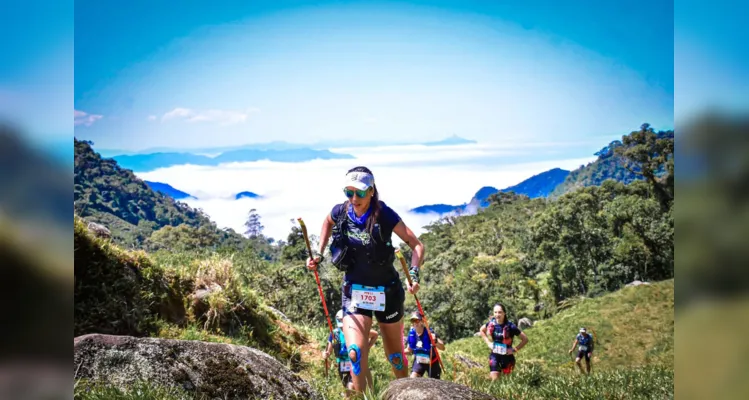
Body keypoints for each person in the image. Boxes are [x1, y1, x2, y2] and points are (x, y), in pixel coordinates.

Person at [307, 166, 426, 394]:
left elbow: (417, 245)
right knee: (354, 352)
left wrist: (414, 274)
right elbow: (327, 222)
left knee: (396, 359)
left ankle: (405, 395)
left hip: (387, 291)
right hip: (355, 290)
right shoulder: (341, 211)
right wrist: (318, 253)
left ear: (371, 191)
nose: (354, 198)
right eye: (348, 192)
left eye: (360, 193)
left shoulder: (384, 214)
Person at [322, 310, 378, 397]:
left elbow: (375, 335)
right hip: (342, 366)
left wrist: (367, 347)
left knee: (351, 387)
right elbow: (328, 350)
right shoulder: (334, 334)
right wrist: (325, 354)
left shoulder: (355, 331)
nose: (343, 327)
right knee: (348, 390)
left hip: (355, 364)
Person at [479, 303, 529, 380]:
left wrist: (514, 350)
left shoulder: (511, 326)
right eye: (495, 312)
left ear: (504, 313)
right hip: (495, 356)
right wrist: (488, 343)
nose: (497, 314)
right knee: (495, 381)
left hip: (508, 358)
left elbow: (525, 339)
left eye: (500, 312)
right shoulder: (491, 323)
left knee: (506, 382)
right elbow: (481, 330)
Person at [404, 311, 445, 379]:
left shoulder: (429, 332)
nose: (415, 323)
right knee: (412, 379)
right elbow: (409, 350)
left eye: (417, 320)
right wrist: (397, 352)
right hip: (419, 361)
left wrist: (435, 341)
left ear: (422, 321)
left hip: (432, 362)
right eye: (412, 320)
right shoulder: (412, 334)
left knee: (434, 384)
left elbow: (443, 347)